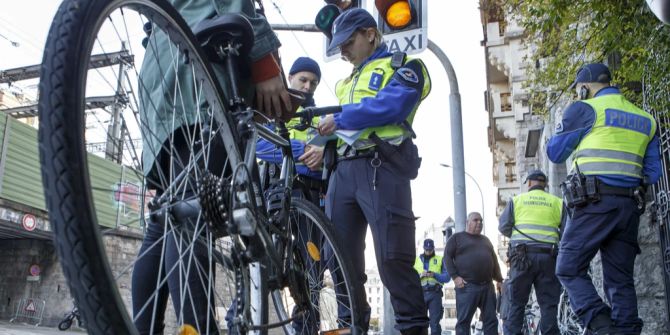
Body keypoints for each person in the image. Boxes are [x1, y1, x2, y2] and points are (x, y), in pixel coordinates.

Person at [131, 0, 291, 334]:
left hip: (162, 75)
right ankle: (201, 328)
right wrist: (264, 62)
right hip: (201, 66)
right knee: (190, 212)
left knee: (165, 219)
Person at [317, 8, 432, 335]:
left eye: (348, 42)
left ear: (370, 33)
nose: (342, 51)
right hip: (343, 172)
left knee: (394, 260)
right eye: (338, 45)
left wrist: (340, 119)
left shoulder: (405, 66)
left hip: (382, 169)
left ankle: (413, 330)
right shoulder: (345, 83)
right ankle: (351, 326)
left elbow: (393, 105)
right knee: (339, 263)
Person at [547, 62, 661, 335]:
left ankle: (601, 325)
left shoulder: (586, 109)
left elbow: (555, 152)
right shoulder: (645, 119)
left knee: (568, 268)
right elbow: (654, 173)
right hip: (629, 207)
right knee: (620, 281)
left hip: (594, 202)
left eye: (578, 90)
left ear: (585, 87)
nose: (578, 95)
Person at [255, 56, 325, 334]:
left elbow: (323, 157)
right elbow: (260, 145)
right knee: (260, 262)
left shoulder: (321, 117)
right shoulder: (272, 111)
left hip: (310, 199)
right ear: (290, 79)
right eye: (303, 80)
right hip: (274, 197)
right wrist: (298, 149)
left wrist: (307, 153)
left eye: (313, 83)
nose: (308, 87)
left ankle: (306, 328)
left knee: (311, 270)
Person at [498, 169, 565, 335]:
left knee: (516, 302)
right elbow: (566, 231)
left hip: (522, 257)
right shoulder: (557, 202)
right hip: (549, 257)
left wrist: (518, 237)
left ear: (528, 183)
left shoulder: (517, 200)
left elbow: (504, 226)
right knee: (549, 304)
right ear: (546, 184)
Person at [444, 212, 503, 335]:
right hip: (467, 287)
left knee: (491, 321)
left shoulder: (485, 240)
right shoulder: (456, 238)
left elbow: (494, 261)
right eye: (476, 220)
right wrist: (455, 277)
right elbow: (447, 257)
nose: (479, 223)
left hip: (487, 287)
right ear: (468, 222)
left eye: (481, 221)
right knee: (464, 323)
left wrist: (499, 280)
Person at [413, 239, 450, 335]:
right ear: (423, 248)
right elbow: (410, 279)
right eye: (426, 249)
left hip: (435, 294)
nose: (428, 251)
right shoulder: (416, 260)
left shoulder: (440, 259)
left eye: (430, 249)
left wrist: (434, 275)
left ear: (433, 248)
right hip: (421, 294)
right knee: (420, 323)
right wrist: (420, 276)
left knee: (434, 324)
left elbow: (447, 278)